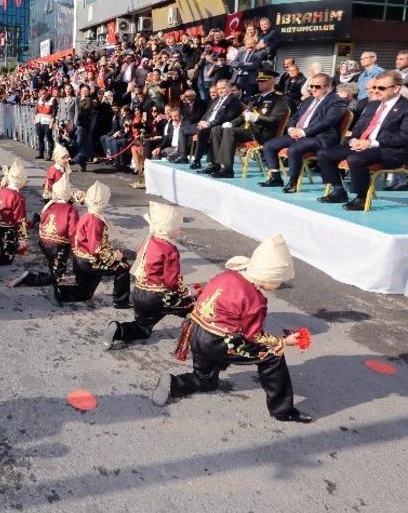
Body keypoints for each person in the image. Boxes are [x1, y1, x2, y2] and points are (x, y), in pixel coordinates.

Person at [151, 234, 312, 424]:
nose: (279, 285)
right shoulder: (255, 299)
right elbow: (254, 336)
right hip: (219, 342)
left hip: (197, 332)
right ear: (266, 276)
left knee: (207, 380)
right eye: (278, 280)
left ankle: (175, 384)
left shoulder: (228, 275)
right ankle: (283, 410)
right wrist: (283, 342)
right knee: (272, 356)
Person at [316, 70, 408, 211]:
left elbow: (404, 137)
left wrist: (371, 143)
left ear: (396, 88)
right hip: (364, 145)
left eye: (381, 88)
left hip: (391, 151)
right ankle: (338, 191)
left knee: (355, 159)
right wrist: (354, 139)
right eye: (375, 87)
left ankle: (361, 198)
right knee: (324, 153)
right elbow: (359, 128)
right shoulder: (372, 105)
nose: (376, 91)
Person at [102, 202, 196, 349]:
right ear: (169, 229)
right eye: (178, 226)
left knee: (142, 328)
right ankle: (201, 340)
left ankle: (119, 329)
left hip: (139, 293)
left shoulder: (148, 241)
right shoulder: (170, 249)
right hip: (157, 296)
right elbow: (171, 281)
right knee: (192, 306)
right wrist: (187, 293)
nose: (180, 229)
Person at [259, 74, 345, 192]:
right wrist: (291, 129)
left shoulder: (336, 101)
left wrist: (303, 132)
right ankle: (275, 178)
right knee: (269, 145)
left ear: (328, 87)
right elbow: (295, 117)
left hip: (320, 137)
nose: (313, 89)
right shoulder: (309, 100)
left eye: (317, 86)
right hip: (299, 134)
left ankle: (293, 182)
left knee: (294, 149)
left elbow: (327, 122)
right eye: (311, 86)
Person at [13, 174, 86, 304]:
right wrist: (75, 248)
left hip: (44, 241)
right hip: (58, 243)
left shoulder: (50, 205)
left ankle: (37, 277)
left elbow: (42, 222)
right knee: (58, 269)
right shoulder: (71, 209)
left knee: (53, 265)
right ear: (69, 194)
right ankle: (46, 285)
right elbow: (73, 231)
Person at [208, 70, 290, 178]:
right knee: (217, 129)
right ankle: (215, 164)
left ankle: (227, 169)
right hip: (249, 130)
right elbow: (244, 116)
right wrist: (232, 123)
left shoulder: (279, 99)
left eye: (263, 81)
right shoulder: (255, 98)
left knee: (229, 132)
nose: (259, 83)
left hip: (263, 132)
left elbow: (275, 120)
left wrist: (257, 118)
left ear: (272, 82)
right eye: (259, 81)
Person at [69, 181, 131, 307]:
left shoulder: (90, 215)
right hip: (89, 260)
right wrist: (114, 256)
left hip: (80, 258)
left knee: (84, 293)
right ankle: (120, 301)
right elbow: (96, 250)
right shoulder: (95, 221)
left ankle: (57, 291)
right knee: (123, 266)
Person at [183, 79, 241, 169]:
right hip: (206, 124)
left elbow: (226, 117)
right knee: (183, 129)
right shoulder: (217, 99)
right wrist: (201, 122)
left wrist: (209, 124)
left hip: (218, 126)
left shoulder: (233, 100)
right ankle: (183, 156)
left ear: (229, 88)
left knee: (202, 132)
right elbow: (207, 113)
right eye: (219, 89)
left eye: (223, 88)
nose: (220, 91)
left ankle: (197, 160)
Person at [33, 89, 57, 160]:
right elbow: (36, 111)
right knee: (40, 137)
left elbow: (54, 112)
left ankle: (50, 154)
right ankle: (41, 153)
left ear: (47, 93)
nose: (43, 95)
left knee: (49, 138)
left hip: (47, 121)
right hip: (39, 121)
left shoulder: (52, 100)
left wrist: (52, 121)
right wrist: (34, 119)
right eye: (42, 93)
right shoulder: (39, 100)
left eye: (44, 93)